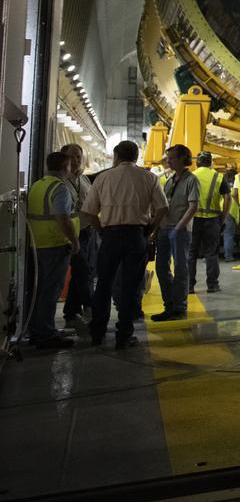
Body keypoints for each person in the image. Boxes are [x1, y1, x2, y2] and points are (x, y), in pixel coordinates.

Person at [84, 140, 167, 348]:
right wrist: (151, 229)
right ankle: (124, 334)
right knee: (130, 286)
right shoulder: (149, 177)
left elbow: (89, 212)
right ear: (136, 156)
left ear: (116, 156)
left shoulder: (103, 177)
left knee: (103, 284)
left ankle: (98, 332)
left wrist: (101, 230)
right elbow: (163, 208)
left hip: (110, 236)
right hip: (136, 235)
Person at [25, 151, 80, 349]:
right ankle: (45, 334)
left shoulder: (38, 185)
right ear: (65, 167)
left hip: (37, 244)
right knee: (50, 291)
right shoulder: (60, 188)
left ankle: (37, 329)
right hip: (55, 244)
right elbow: (63, 218)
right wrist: (74, 240)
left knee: (39, 290)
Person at [152, 144, 199, 322]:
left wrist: (179, 227)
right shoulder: (170, 180)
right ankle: (169, 305)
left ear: (182, 159)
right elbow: (163, 207)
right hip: (165, 229)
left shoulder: (191, 180)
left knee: (180, 269)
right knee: (161, 268)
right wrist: (156, 230)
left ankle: (179, 307)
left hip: (180, 231)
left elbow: (193, 206)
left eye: (172, 158)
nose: (168, 161)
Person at [60, 143, 98, 324]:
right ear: (63, 158)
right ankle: (90, 305)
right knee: (83, 271)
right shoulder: (61, 181)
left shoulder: (84, 180)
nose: (75, 161)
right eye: (72, 157)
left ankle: (70, 312)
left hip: (87, 230)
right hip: (71, 233)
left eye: (78, 157)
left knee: (83, 271)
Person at [187, 151, 229, 294]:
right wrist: (223, 217)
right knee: (211, 253)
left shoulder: (190, 176)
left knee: (191, 253)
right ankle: (212, 285)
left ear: (197, 162)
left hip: (193, 220)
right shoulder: (218, 177)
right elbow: (228, 198)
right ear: (211, 162)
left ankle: (189, 286)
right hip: (212, 220)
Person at [221, 161, 239, 261]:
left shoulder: (222, 182)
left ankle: (208, 256)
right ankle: (228, 256)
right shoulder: (236, 183)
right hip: (231, 210)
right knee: (229, 234)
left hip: (218, 208)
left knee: (214, 234)